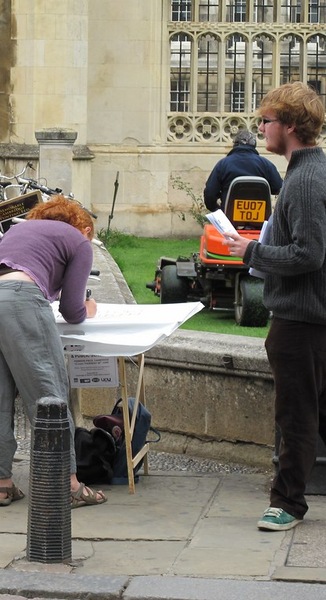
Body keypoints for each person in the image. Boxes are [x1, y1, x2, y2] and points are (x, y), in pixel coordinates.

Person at [224, 82, 326, 531]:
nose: (260, 128)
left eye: (265, 120)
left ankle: (287, 504)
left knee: (296, 416)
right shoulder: (312, 171)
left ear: (288, 126)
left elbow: (309, 254)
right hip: (314, 316)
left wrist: (249, 252)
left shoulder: (304, 179)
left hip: (301, 320)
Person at [0, 195, 106, 508]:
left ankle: (1, 484)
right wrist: (89, 308)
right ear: (83, 226)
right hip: (19, 299)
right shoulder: (79, 240)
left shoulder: (18, 230)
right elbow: (72, 310)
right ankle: (68, 485)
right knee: (47, 393)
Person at [203, 129, 283, 212]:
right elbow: (280, 188)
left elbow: (210, 193)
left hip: (229, 218)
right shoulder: (266, 164)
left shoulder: (223, 165)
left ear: (235, 144)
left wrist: (217, 209)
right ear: (254, 145)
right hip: (259, 220)